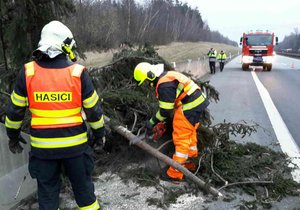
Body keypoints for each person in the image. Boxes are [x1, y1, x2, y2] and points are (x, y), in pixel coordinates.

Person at [5, 20, 104, 210]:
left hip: (43, 151)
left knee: (48, 195)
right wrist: (99, 135)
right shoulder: (77, 72)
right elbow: (94, 111)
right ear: (64, 44)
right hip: (75, 148)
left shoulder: (27, 72)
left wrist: (13, 137)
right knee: (85, 194)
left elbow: (15, 111)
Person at [133, 62, 209, 181]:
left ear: (151, 75)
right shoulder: (167, 76)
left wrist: (152, 122)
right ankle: (191, 164)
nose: (148, 85)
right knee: (190, 137)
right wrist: (160, 122)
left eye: (146, 82)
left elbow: (165, 111)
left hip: (189, 107)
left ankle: (175, 174)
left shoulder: (163, 84)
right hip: (197, 104)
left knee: (181, 139)